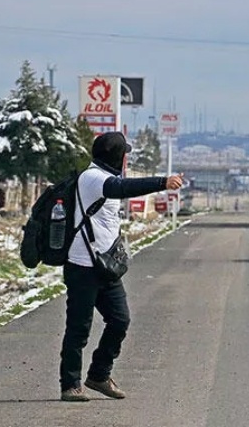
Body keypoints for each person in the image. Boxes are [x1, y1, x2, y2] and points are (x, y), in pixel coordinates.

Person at [59, 131, 183, 402]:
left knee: (120, 320)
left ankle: (99, 375)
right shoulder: (92, 178)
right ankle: (70, 385)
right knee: (79, 328)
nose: (126, 158)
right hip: (82, 265)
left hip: (105, 266)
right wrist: (163, 182)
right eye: (124, 153)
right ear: (116, 156)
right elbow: (122, 188)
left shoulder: (105, 178)